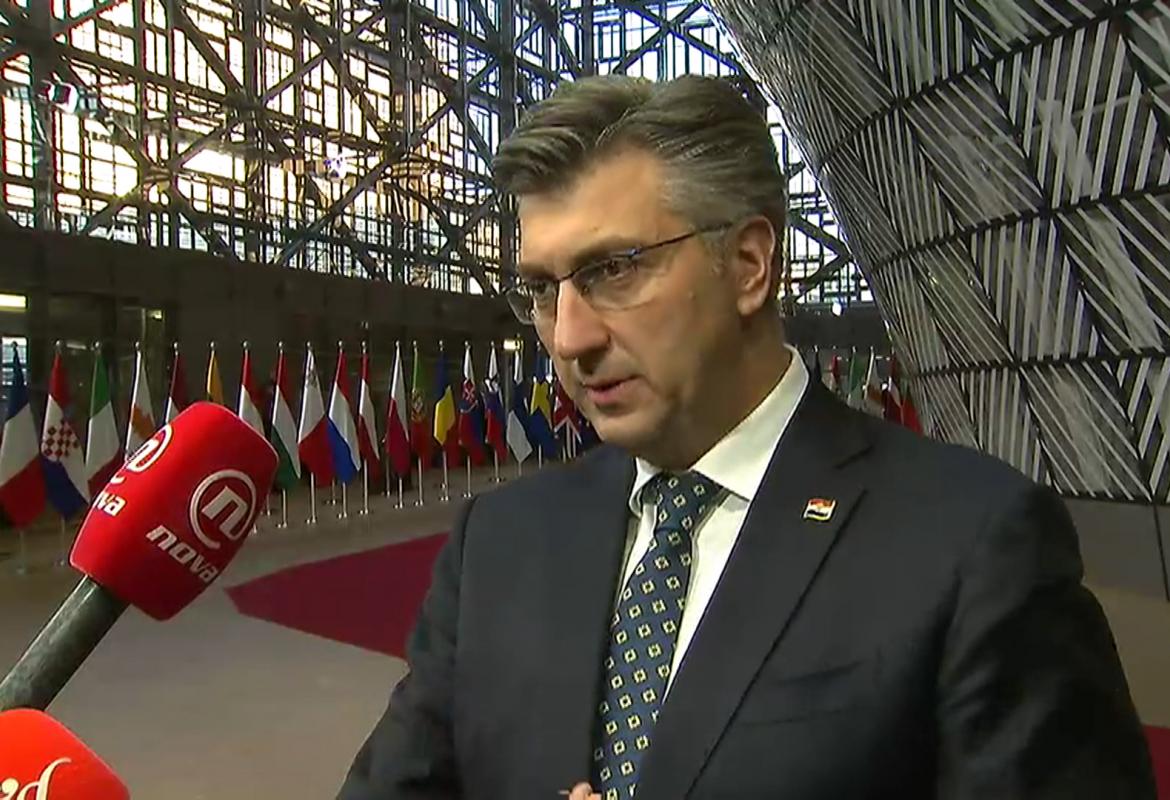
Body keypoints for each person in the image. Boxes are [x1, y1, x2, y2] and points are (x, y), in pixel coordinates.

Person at [337, 75, 1155, 799]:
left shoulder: (974, 545)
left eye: (614, 269)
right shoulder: (498, 544)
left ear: (751, 265)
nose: (570, 336)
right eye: (543, 290)